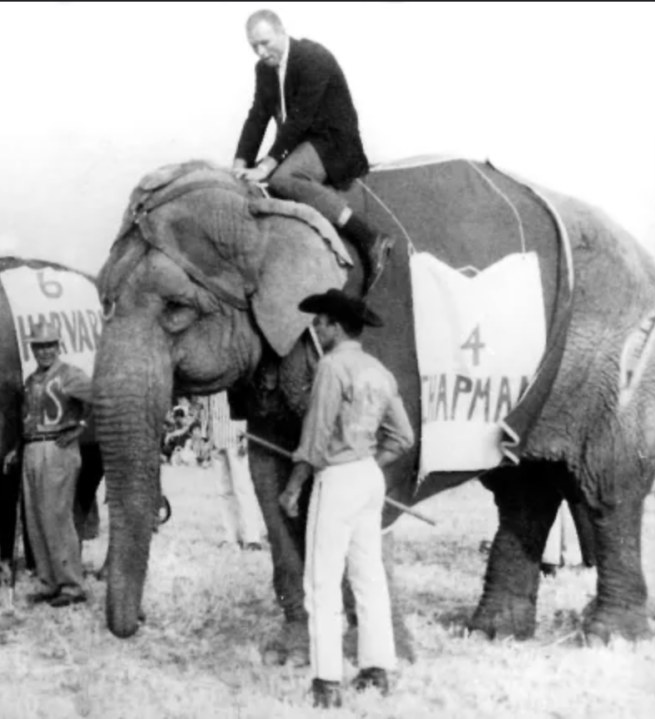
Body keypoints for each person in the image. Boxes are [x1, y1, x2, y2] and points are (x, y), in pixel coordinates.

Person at [278, 289, 414, 709]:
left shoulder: (332, 367)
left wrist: (293, 485)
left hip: (336, 479)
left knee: (320, 581)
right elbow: (404, 438)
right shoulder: (378, 370)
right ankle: (377, 669)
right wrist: (369, 461)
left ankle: (326, 682)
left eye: (319, 322)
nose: (315, 329)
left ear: (336, 326)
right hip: (368, 478)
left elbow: (315, 439)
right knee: (368, 575)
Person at [231, 9, 392, 296]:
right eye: (253, 46)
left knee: (281, 179)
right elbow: (257, 116)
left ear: (282, 32)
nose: (260, 51)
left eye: (265, 42)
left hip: (334, 142)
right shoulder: (264, 70)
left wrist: (266, 166)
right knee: (252, 179)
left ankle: (369, 238)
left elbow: (299, 121)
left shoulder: (313, 58)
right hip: (301, 143)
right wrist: (239, 164)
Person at [4, 322, 93, 608]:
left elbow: (100, 400)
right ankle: (48, 582)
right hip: (32, 448)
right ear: (32, 349)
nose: (44, 351)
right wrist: (16, 449)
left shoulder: (70, 374)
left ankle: (71, 584)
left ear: (59, 345)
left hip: (58, 449)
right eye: (39, 346)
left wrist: (81, 426)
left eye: (49, 345)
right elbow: (27, 419)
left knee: (57, 516)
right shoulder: (31, 381)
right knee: (35, 519)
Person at [200, 392, 266, 551]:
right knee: (223, 491)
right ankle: (230, 537)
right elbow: (205, 407)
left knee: (242, 487)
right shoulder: (210, 377)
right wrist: (204, 436)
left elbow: (248, 405)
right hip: (215, 437)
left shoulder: (234, 376)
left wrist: (246, 435)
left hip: (236, 436)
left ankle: (252, 538)